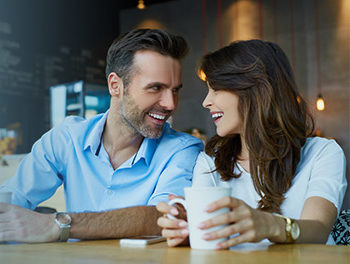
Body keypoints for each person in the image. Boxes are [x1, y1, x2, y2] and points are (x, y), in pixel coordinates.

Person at [0, 29, 203, 243]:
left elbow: (163, 217)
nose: (170, 104)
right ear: (116, 86)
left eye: (175, 90)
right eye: (155, 88)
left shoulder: (183, 150)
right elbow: (14, 198)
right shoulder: (67, 137)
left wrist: (58, 224)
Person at [156, 39, 347, 249]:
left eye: (216, 89)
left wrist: (270, 225)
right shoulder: (210, 162)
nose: (206, 102)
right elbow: (210, 238)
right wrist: (187, 231)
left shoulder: (323, 153)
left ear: (254, 90)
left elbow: (318, 230)